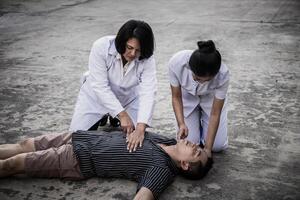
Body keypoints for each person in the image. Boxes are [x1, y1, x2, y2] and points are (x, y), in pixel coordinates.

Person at [0, 130, 213, 200]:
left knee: (13, 164)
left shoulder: (161, 169)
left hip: (77, 158)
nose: (193, 144)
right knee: (24, 144)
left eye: (195, 151)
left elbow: (144, 197)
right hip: (82, 136)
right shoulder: (167, 141)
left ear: (185, 164)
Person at [69, 19, 157, 152]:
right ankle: (109, 115)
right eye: (129, 48)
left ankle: (113, 115)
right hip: (95, 96)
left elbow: (148, 92)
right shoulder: (101, 46)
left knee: (134, 141)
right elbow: (100, 86)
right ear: (122, 42)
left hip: (128, 97)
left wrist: (140, 128)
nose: (133, 54)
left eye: (138, 50)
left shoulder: (148, 58)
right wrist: (122, 115)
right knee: (76, 140)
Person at [168, 40, 229, 157]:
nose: (202, 83)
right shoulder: (176, 62)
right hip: (186, 96)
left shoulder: (223, 74)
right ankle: (197, 126)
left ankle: (204, 130)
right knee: (190, 142)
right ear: (190, 68)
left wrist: (207, 150)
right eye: (198, 79)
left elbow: (215, 113)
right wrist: (181, 124)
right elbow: (176, 97)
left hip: (211, 99)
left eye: (207, 80)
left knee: (217, 146)